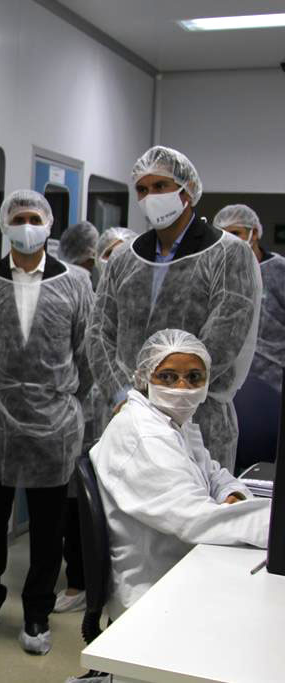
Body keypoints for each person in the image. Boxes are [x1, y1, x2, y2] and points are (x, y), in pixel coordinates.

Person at [0, 190, 93, 655]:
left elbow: (86, 355)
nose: (26, 226)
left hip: (55, 424)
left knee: (49, 526)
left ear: (49, 225)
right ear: (4, 224)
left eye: (34, 217)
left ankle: (36, 612)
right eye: (18, 218)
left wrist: (59, 399)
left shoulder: (75, 282)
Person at [88, 146, 261, 474]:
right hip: (127, 417)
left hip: (196, 420)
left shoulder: (228, 254)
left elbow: (225, 337)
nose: (150, 196)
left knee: (195, 501)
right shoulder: (124, 258)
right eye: (142, 189)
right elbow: (98, 332)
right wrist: (122, 394)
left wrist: (173, 395)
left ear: (187, 190)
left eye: (160, 186)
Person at [91, 329, 271, 620]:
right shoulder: (146, 435)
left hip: (183, 564)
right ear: (144, 378)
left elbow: (215, 474)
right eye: (168, 377)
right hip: (154, 593)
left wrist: (234, 494)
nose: (182, 387)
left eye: (194, 377)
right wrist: (274, 525)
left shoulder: (172, 421)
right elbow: (197, 520)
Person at [54, 226, 135, 615]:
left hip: (127, 409)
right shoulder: (81, 290)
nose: (115, 262)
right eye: (109, 254)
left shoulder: (137, 298)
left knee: (123, 500)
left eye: (124, 253)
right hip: (85, 411)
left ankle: (119, 581)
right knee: (79, 499)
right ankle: (79, 580)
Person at [214, 204, 285, 394]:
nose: (229, 239)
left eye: (235, 233)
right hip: (227, 377)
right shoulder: (217, 273)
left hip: (273, 377)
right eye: (222, 234)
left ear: (254, 234)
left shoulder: (278, 270)